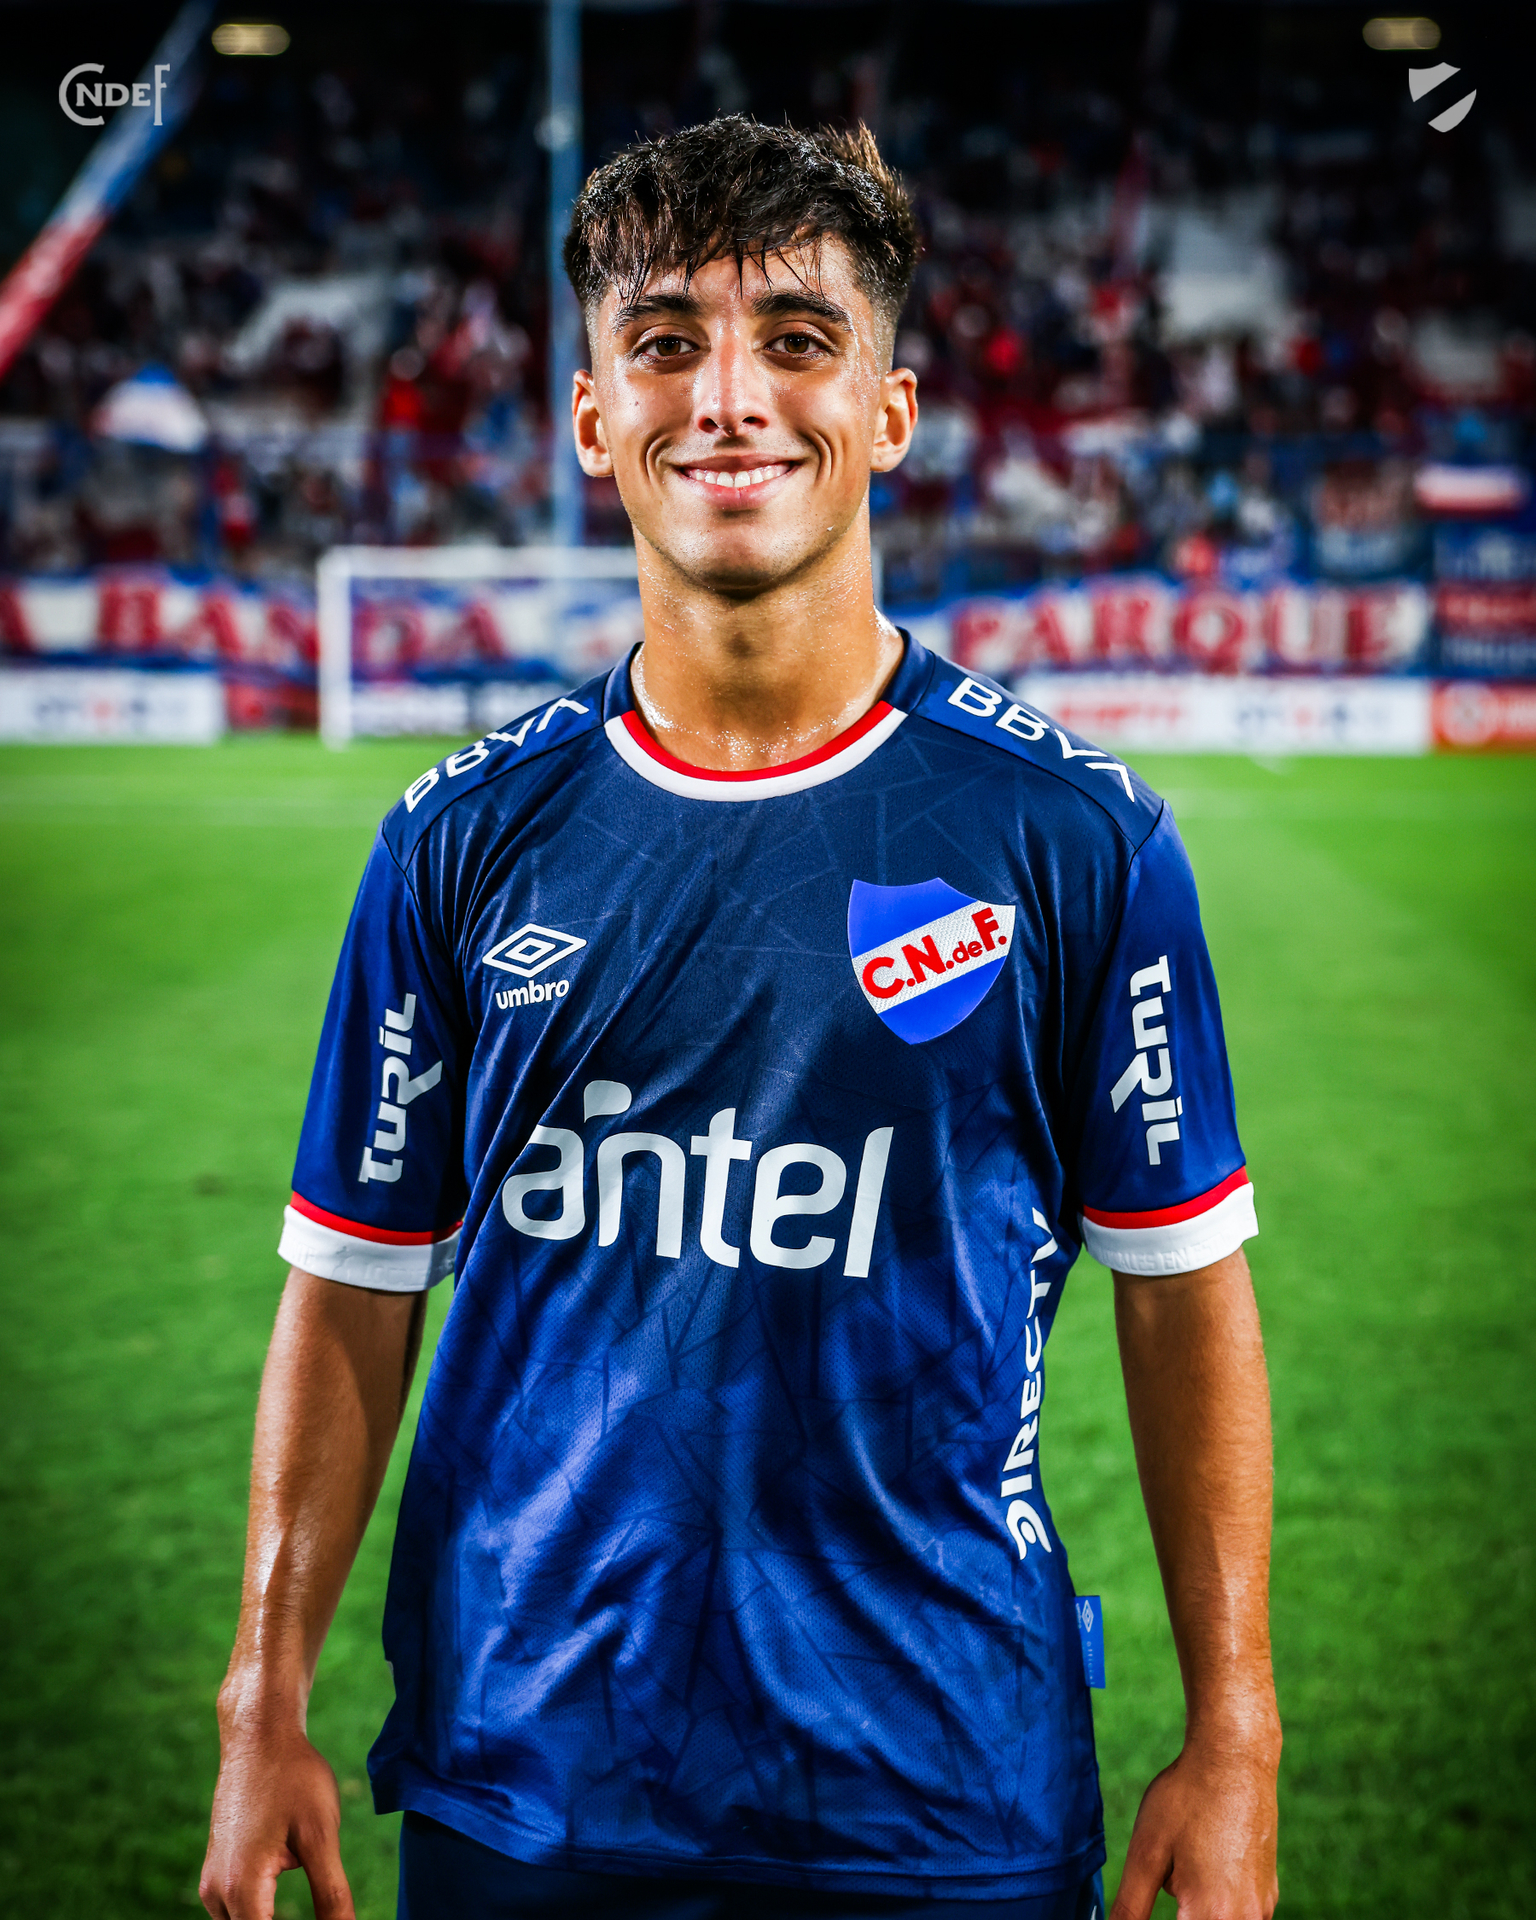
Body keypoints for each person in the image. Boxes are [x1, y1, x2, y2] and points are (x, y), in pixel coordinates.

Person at [200, 117, 1279, 1920]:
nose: (727, 399)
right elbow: (353, 1287)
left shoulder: (1077, 842)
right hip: (529, 1783)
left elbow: (1183, 1292)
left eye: (794, 340)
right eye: (663, 344)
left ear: (890, 410)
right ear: (591, 415)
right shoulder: (457, 841)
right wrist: (263, 1698)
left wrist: (1235, 1732)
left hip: (942, 1792)